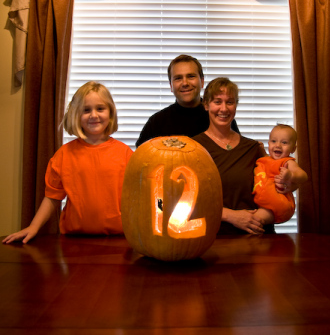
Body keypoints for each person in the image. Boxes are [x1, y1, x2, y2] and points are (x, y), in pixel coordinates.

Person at [3, 81, 133, 244]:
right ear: (75, 115)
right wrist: (33, 227)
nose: (94, 115)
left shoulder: (125, 153)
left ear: (111, 113)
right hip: (73, 240)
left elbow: (138, 197)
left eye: (100, 108)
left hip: (118, 239)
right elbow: (52, 197)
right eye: (86, 110)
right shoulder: (64, 154)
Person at [193, 77, 291, 235]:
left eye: (230, 102)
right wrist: (231, 216)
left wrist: (290, 180)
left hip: (259, 239)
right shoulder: (193, 148)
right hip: (215, 241)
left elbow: (278, 194)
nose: (224, 109)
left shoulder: (254, 148)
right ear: (206, 105)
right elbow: (186, 202)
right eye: (217, 102)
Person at [136, 54, 239, 147]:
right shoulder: (156, 123)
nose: (185, 83)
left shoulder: (220, 116)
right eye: (178, 78)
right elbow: (141, 159)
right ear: (171, 86)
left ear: (202, 81)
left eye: (191, 76)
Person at [253, 124, 308, 225]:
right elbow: (269, 165)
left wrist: (291, 175)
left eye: (284, 142)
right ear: (268, 143)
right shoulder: (266, 159)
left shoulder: (287, 162)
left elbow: (303, 175)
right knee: (251, 217)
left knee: (254, 221)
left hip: (277, 203)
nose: (278, 145)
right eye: (274, 141)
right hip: (264, 202)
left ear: (293, 149)